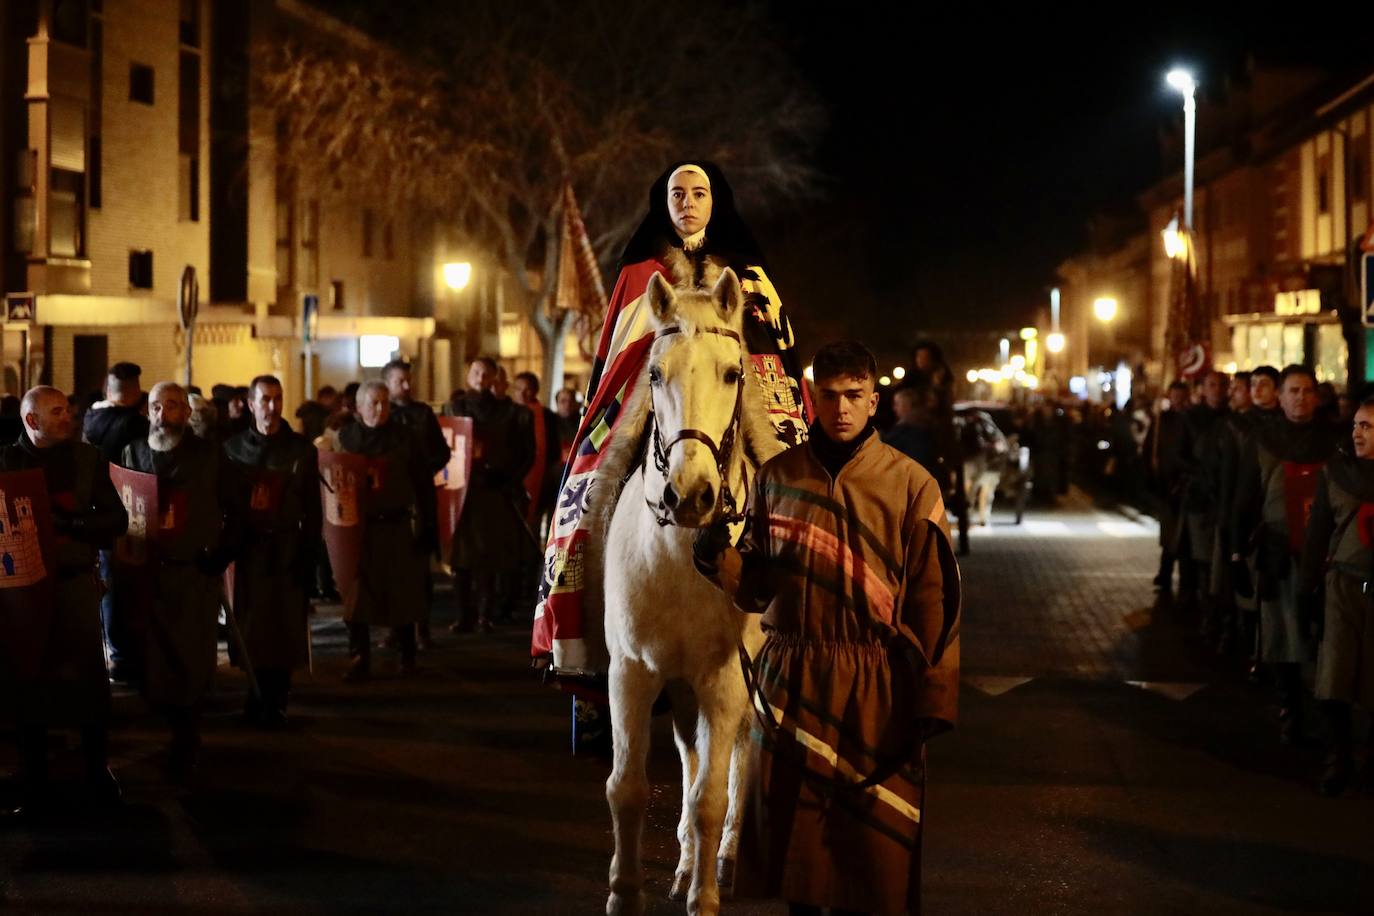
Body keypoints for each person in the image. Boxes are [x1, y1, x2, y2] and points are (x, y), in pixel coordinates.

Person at [693, 341, 959, 915]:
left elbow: (936, 600)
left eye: (854, 396)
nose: (841, 408)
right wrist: (720, 560)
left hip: (876, 687)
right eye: (830, 395)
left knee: (870, 861)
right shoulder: (776, 477)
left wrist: (934, 694)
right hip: (791, 683)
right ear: (812, 397)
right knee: (801, 862)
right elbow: (759, 584)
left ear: (873, 400)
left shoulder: (913, 485)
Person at [533, 161, 809, 706]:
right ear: (663, 202)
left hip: (734, 403)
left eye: (698, 193)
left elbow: (776, 351)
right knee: (586, 493)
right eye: (676, 193)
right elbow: (617, 357)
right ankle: (587, 638)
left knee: (802, 499)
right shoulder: (640, 275)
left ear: (715, 201)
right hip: (655, 405)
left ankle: (800, 626)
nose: (687, 202)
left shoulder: (752, 278)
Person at [1, 386, 127, 817]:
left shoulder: (87, 460)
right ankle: (34, 780)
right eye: (57, 412)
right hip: (24, 591)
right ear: (31, 421)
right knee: (28, 685)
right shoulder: (8, 462)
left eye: (68, 410)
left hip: (74, 586)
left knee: (87, 685)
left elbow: (117, 519)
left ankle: (97, 769)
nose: (69, 417)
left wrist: (70, 523)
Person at [119, 382, 233, 782]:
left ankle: (188, 738)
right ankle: (171, 730)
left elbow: (237, 507)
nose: (161, 414)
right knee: (156, 661)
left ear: (186, 413)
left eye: (171, 406)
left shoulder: (208, 457)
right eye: (154, 406)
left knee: (190, 659)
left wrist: (219, 555)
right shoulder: (134, 453)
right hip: (150, 574)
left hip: (192, 574)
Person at [1233, 365, 1340, 745]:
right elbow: (1245, 500)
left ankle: (1329, 716)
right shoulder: (1262, 440)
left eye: (1307, 391)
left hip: (1326, 556)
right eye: (1293, 391)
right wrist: (1235, 553)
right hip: (1279, 553)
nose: (1300, 398)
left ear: (1316, 396)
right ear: (1279, 397)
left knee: (1326, 638)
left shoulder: (1334, 441)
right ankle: (1290, 709)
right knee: (1284, 636)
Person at [223, 375, 321, 728]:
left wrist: (310, 558)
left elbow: (313, 509)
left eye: (277, 398)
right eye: (264, 399)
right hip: (249, 550)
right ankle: (255, 694)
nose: (272, 406)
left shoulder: (300, 450)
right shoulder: (233, 450)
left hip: (287, 549)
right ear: (251, 404)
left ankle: (277, 699)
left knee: (282, 630)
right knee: (251, 629)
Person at [1300, 396, 1374, 796]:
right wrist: (1305, 588)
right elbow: (1317, 534)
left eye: (1368, 426)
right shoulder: (1336, 474)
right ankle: (1338, 758)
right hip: (1343, 585)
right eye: (1356, 425)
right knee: (1335, 678)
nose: (1358, 433)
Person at [336, 380, 433, 680]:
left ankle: (407, 656)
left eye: (385, 403)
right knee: (357, 596)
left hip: (396, 524)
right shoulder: (347, 438)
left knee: (402, 592)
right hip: (359, 528)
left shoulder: (405, 439)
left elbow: (423, 483)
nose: (380, 408)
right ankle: (359, 656)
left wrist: (427, 526)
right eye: (374, 403)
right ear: (360, 407)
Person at [448, 358, 534, 631]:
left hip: (495, 491)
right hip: (464, 493)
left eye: (486, 374)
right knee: (461, 560)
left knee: (488, 558)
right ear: (468, 375)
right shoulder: (457, 408)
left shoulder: (510, 412)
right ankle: (464, 614)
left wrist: (508, 477)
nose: (481, 378)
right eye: (476, 372)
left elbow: (525, 453)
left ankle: (485, 614)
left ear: (495, 379)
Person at [83, 362, 150, 684]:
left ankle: (116, 655)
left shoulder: (89, 419)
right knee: (127, 590)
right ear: (135, 391)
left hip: (97, 516)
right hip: (129, 515)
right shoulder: (135, 426)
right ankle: (126, 658)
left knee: (110, 587)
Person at [384, 359, 451, 649]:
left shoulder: (423, 414)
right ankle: (393, 629)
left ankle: (422, 628)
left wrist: (421, 472)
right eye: (400, 381)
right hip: (389, 501)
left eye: (408, 380)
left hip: (419, 499)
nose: (407, 386)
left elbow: (441, 453)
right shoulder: (382, 413)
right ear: (387, 383)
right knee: (389, 569)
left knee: (420, 568)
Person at [1177, 371, 1230, 624]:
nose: (1217, 390)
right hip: (1200, 497)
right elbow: (1180, 455)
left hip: (1225, 496)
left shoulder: (1233, 419)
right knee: (1202, 557)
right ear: (1202, 389)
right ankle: (1204, 608)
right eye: (1212, 385)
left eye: (1222, 385)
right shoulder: (1191, 418)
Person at [882, 382, 939, 472]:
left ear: (908, 405)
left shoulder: (916, 431)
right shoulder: (908, 427)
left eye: (897, 404)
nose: (894, 408)